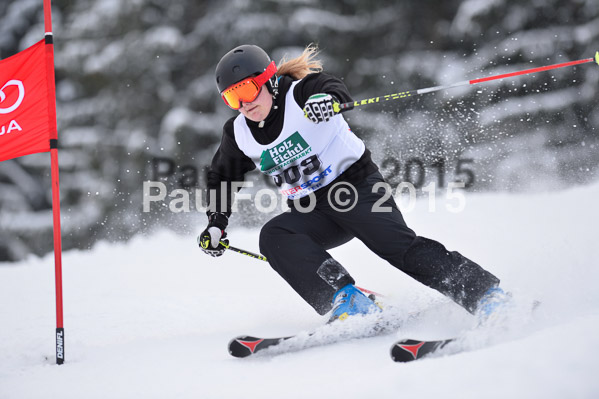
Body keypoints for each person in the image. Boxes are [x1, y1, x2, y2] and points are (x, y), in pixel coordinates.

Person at [199, 44, 506, 322]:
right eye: (232, 97)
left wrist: (325, 101)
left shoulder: (302, 92)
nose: (243, 104)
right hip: (312, 210)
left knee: (396, 248)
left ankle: (485, 295)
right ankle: (347, 301)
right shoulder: (238, 132)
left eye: (248, 91)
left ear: (269, 81)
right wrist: (216, 221)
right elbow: (221, 176)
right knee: (275, 236)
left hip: (357, 190)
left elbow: (332, 88)